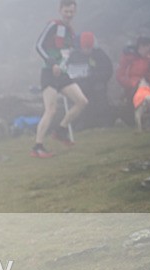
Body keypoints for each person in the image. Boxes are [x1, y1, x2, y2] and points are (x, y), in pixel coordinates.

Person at [31, 0, 89, 158]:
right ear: (60, 10)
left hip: (63, 73)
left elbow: (67, 52)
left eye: (71, 12)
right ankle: (37, 147)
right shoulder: (53, 25)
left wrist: (65, 64)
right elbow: (38, 46)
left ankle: (60, 131)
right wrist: (52, 63)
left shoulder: (70, 31)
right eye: (66, 11)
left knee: (82, 101)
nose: (69, 15)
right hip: (49, 72)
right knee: (51, 109)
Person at [66, 31, 114, 129]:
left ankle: (104, 122)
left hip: (97, 83)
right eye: (85, 48)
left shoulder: (100, 54)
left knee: (100, 97)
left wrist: (94, 77)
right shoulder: (74, 55)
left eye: (89, 48)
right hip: (80, 85)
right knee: (80, 99)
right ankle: (83, 122)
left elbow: (108, 70)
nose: (87, 50)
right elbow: (68, 70)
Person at [116, 36, 150, 106]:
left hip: (149, 84)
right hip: (133, 86)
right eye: (149, 49)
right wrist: (134, 83)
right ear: (142, 47)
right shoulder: (129, 57)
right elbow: (120, 75)